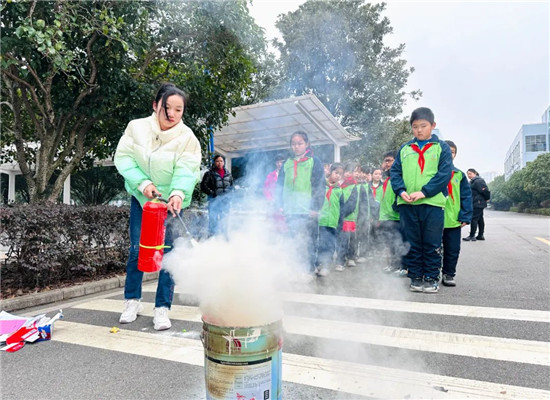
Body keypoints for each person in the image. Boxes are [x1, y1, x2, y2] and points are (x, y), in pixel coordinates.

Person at [114, 83, 201, 330]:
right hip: (143, 198)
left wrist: (177, 193)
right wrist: (143, 183)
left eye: (178, 110)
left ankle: (162, 308)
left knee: (169, 253)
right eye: (167, 108)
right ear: (155, 105)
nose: (172, 114)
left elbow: (187, 169)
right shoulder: (136, 128)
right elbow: (123, 158)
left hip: (171, 202)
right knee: (136, 250)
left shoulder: (187, 138)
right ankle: (132, 300)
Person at [390, 107, 452, 293]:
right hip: (407, 203)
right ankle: (416, 276)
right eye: (415, 126)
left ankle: (431, 277)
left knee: (431, 243)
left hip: (432, 204)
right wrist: (401, 191)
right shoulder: (405, 149)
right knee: (412, 242)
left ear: (433, 125)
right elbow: (395, 172)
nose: (419, 130)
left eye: (423, 126)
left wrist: (424, 192)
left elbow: (444, 174)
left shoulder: (441, 148)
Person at [276, 131, 325, 273]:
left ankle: (310, 269)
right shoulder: (287, 163)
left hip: (307, 210)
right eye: (293, 144)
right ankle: (294, 268)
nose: (296, 147)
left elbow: (320, 185)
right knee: (293, 240)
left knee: (309, 241)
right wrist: (279, 205)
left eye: (299, 143)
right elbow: (279, 185)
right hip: (290, 209)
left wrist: (315, 207)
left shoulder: (314, 162)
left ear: (307, 144)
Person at [442, 141, 473, 286]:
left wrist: (465, 216)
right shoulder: (430, 173)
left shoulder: (459, 175)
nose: (449, 153)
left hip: (453, 220)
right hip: (433, 219)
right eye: (446, 150)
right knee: (432, 248)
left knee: (452, 249)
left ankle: (448, 274)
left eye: (452, 151)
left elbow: (466, 197)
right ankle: (432, 273)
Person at [378, 150, 406, 275]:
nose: (386, 164)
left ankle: (401, 267)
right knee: (390, 243)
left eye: (389, 160)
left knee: (398, 242)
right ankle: (393, 265)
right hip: (386, 216)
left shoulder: (401, 177)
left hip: (396, 216)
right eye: (385, 161)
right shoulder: (388, 178)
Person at [316, 163, 344, 276]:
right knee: (319, 243)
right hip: (320, 220)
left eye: (340, 174)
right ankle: (317, 264)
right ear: (330, 172)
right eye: (336, 173)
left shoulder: (339, 190)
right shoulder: (321, 186)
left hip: (332, 222)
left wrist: (339, 222)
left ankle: (326, 265)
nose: (338, 176)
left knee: (330, 244)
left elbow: (342, 207)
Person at [200, 154, 234, 237]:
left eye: (221, 161)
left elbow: (232, 186)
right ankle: (212, 238)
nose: (219, 163)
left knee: (224, 220)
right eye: (217, 161)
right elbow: (203, 186)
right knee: (213, 220)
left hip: (225, 202)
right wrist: (212, 193)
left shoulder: (228, 174)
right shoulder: (209, 173)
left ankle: (224, 237)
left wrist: (230, 195)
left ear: (224, 162)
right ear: (214, 162)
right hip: (214, 201)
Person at [335, 162, 360, 271]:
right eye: (346, 172)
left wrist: (342, 213)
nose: (347, 174)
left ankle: (345, 259)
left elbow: (352, 203)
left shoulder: (353, 186)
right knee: (340, 239)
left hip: (348, 217)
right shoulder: (338, 185)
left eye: (351, 172)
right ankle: (341, 259)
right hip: (337, 217)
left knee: (348, 239)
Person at [463, 168, 490, 241]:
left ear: (475, 173)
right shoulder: (473, 181)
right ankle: (480, 235)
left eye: (470, 174)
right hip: (476, 202)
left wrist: (487, 198)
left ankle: (472, 235)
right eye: (468, 174)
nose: (469, 175)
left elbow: (485, 191)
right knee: (480, 219)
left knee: (474, 219)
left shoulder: (478, 181)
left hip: (478, 203)